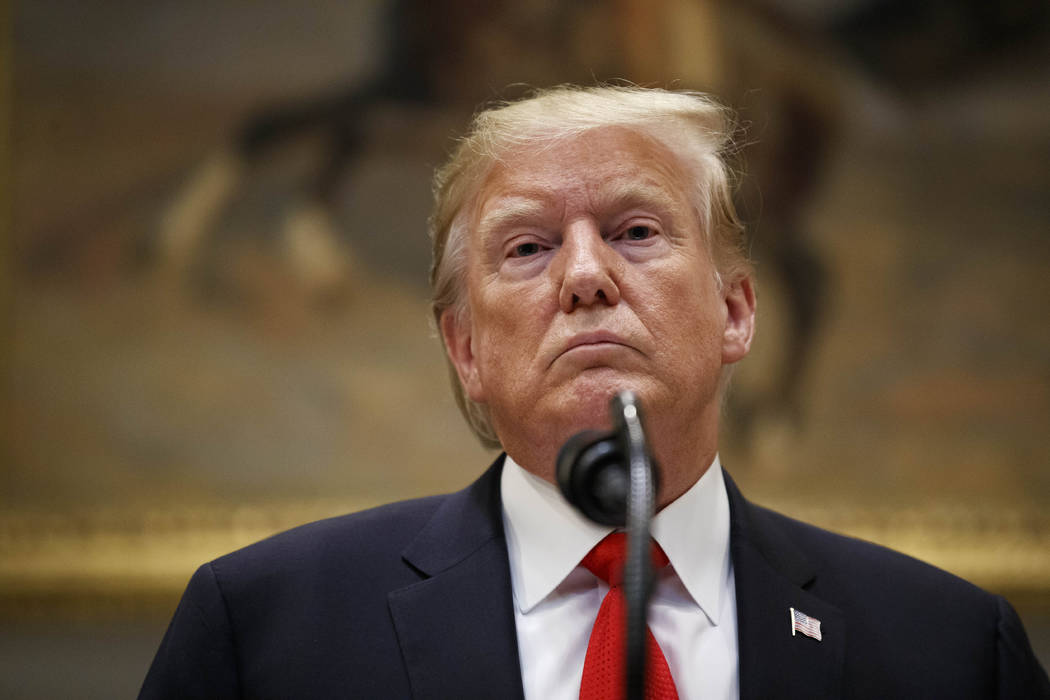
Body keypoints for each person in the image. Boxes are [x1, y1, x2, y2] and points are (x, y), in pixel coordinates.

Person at [139, 85, 1049, 699]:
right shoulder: (265, 634)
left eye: (637, 230)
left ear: (736, 312)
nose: (584, 277)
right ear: (464, 349)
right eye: (528, 247)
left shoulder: (953, 651)